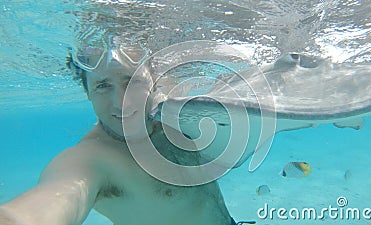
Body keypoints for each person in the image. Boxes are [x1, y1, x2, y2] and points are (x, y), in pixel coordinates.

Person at [0, 38, 251, 225]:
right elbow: (48, 203)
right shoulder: (89, 161)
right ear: (87, 92)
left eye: (132, 81)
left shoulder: (174, 113)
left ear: (155, 82)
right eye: (102, 86)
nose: (121, 102)